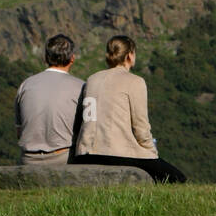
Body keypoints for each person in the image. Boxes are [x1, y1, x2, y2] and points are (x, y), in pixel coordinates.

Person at [70, 35, 186, 183]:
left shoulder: (92, 79)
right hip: (117, 153)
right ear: (130, 55)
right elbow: (141, 128)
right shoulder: (135, 82)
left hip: (85, 153)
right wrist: (152, 152)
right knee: (177, 178)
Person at [14, 34, 84, 165]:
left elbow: (19, 132)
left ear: (46, 58)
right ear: (72, 58)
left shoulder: (25, 85)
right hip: (64, 158)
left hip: (28, 159)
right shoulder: (81, 87)